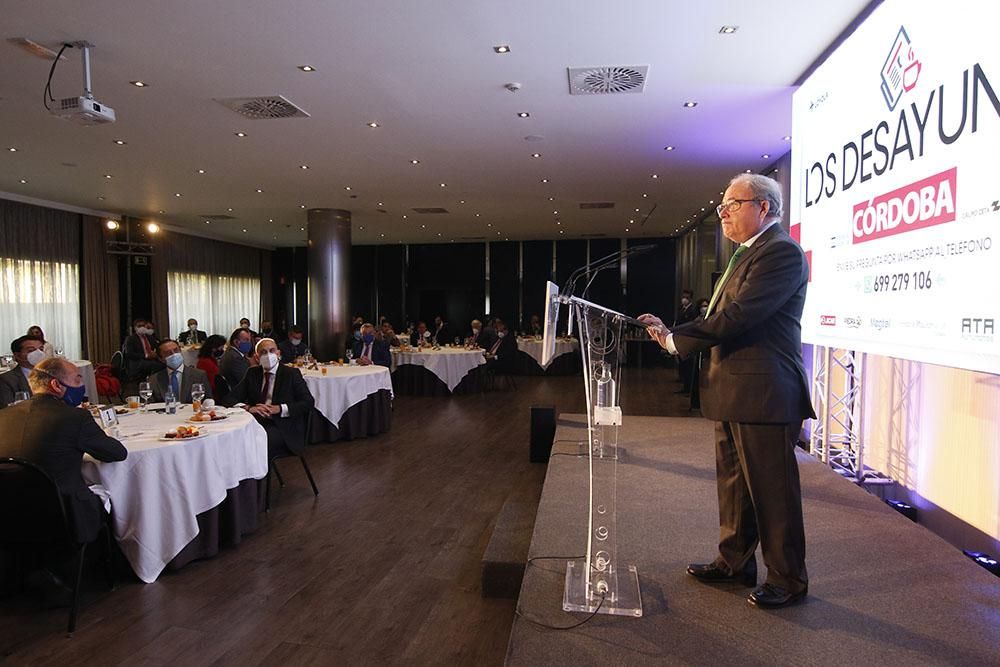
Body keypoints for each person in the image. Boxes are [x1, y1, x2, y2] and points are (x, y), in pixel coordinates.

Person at [639, 173, 815, 609]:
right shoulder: (747, 255)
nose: (723, 214)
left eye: (732, 205)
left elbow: (738, 316)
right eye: (722, 207)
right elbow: (722, 317)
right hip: (735, 389)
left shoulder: (781, 253)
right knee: (734, 486)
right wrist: (670, 333)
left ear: (765, 208)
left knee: (773, 492)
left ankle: (788, 578)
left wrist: (678, 341)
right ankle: (734, 560)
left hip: (766, 393)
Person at [0, 357, 127, 543]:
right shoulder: (75, 418)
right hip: (62, 512)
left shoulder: (4, 415)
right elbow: (117, 453)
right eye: (77, 379)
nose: (82, 384)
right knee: (116, 498)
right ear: (56, 385)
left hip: (8, 510)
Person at [224, 338, 314, 458]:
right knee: (232, 439)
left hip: (283, 426)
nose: (268, 355)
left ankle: (258, 475)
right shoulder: (252, 373)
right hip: (255, 421)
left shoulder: (291, 374)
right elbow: (229, 398)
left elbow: (308, 402)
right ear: (257, 357)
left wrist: (280, 409)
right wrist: (248, 408)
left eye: (272, 351)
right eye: (263, 352)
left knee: (255, 442)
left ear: (278, 354)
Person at [146, 339, 213, 403]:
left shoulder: (199, 375)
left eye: (176, 350)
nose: (173, 354)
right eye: (168, 353)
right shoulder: (154, 379)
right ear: (161, 359)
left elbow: (208, 401)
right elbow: (150, 405)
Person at [1, 335, 45, 407]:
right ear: (17, 355)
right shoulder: (6, 380)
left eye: (41, 349)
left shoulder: (53, 375)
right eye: (31, 350)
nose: (39, 353)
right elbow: (7, 409)